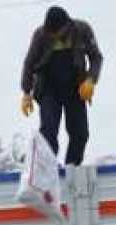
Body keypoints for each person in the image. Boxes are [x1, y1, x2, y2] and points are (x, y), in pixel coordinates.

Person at [20, 6, 103, 166]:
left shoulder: (82, 30)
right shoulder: (40, 36)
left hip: (75, 88)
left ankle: (72, 166)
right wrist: (26, 92)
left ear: (66, 26)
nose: (53, 36)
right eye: (50, 32)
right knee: (48, 132)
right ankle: (48, 168)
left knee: (80, 134)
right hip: (49, 89)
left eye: (56, 32)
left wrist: (91, 80)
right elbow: (29, 64)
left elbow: (96, 57)